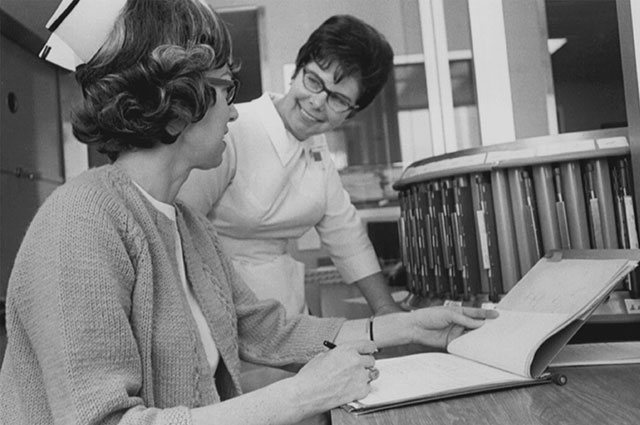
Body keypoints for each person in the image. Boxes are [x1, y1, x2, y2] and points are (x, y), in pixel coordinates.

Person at [0, 1, 498, 424]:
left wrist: (407, 325)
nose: (234, 112)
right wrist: (301, 394)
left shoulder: (188, 227)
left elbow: (265, 329)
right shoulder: (78, 224)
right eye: (224, 89)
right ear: (177, 102)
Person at [177, 15, 402, 318]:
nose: (318, 102)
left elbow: (347, 237)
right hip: (216, 307)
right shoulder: (231, 129)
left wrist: (387, 309)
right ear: (297, 71)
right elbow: (177, 231)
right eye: (314, 81)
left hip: (287, 310)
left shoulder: (318, 155)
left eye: (338, 99)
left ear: (352, 112)